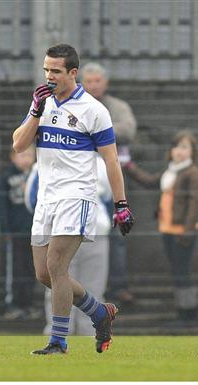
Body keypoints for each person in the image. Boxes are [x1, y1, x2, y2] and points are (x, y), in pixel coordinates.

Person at [12, 43, 134, 355]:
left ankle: (58, 341)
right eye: (46, 70)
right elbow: (18, 145)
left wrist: (121, 204)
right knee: (45, 274)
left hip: (77, 197)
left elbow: (111, 161)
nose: (49, 76)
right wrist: (36, 111)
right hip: (47, 199)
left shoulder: (93, 110)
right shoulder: (41, 102)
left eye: (55, 70)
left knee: (56, 265)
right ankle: (99, 312)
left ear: (73, 73)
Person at [23, 154, 111, 336]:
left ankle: (91, 333)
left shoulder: (98, 162)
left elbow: (108, 197)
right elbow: (33, 198)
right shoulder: (45, 160)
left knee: (92, 285)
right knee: (56, 281)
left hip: (94, 231)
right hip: (61, 231)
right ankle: (60, 333)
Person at [124, 130, 198, 323]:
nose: (180, 151)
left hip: (182, 231)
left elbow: (194, 203)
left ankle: (189, 313)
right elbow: (150, 181)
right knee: (178, 271)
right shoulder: (171, 171)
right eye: (177, 146)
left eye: (185, 147)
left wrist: (187, 230)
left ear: (192, 152)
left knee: (182, 271)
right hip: (167, 228)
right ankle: (184, 310)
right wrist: (129, 166)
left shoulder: (193, 173)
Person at [81, 62, 138, 305]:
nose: (94, 86)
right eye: (89, 81)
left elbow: (128, 130)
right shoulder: (75, 104)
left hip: (111, 178)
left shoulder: (117, 106)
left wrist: (96, 131)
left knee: (115, 236)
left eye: (98, 81)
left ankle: (117, 285)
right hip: (83, 178)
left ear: (106, 83)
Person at [0, 146, 40, 320]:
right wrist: (5, 229)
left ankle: (28, 303)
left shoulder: (38, 176)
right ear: (12, 157)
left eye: (29, 155)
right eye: (21, 155)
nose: (26, 159)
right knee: (15, 269)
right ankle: (12, 304)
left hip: (34, 231)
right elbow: (1, 205)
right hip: (15, 232)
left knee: (32, 269)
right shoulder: (6, 178)